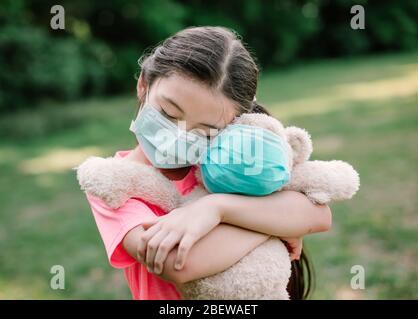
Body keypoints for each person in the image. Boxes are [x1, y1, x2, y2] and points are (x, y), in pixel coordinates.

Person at [83, 26, 332, 300]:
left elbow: (318, 215)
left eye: (204, 131)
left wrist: (216, 208)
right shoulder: (112, 182)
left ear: (233, 124)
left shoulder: (232, 157)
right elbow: (177, 263)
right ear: (144, 84)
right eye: (168, 112)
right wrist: (274, 226)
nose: (178, 137)